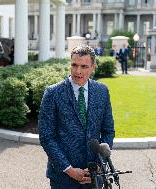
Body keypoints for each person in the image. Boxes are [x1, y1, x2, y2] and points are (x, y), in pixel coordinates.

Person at [38, 45, 115, 189]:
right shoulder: (52, 93)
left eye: (84, 66)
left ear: (93, 67)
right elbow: (46, 137)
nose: (78, 71)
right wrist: (69, 169)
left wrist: (100, 165)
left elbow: (108, 131)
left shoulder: (102, 91)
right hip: (63, 178)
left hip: (95, 176)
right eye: (74, 65)